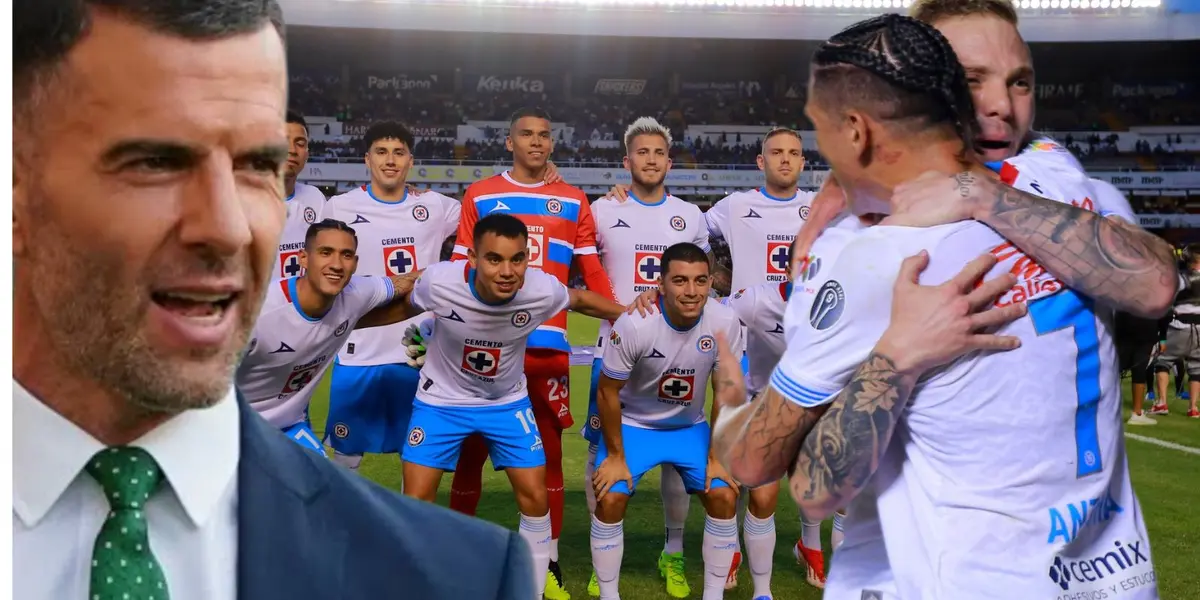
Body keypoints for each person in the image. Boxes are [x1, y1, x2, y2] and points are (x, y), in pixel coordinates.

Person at [12, 1, 534, 599]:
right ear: (17, 188)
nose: (229, 227)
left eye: (259, 165)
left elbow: (389, 297)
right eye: (155, 161)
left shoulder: (455, 575)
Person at [717, 14, 1162, 599]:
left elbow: (794, 479)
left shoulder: (874, 253)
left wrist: (729, 413)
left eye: (1019, 81)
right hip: (1115, 575)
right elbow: (1156, 282)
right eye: (973, 79)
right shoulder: (1058, 172)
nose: (1001, 104)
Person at [397, 214, 627, 597]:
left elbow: (582, 299)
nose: (507, 271)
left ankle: (532, 590)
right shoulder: (440, 283)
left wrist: (635, 316)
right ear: (472, 257)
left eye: (517, 259)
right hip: (441, 402)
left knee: (536, 500)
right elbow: (405, 303)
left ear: (527, 258)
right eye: (494, 259)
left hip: (506, 403)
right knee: (416, 502)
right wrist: (354, 323)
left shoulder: (540, 289)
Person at [450, 107, 622, 599]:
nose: (536, 142)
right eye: (526, 134)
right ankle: (462, 555)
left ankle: (546, 563)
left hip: (547, 348)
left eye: (545, 135)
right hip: (483, 346)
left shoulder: (571, 200)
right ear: (509, 142)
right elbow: (461, 269)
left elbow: (591, 274)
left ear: (552, 143)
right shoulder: (480, 195)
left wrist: (622, 317)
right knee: (470, 455)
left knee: (547, 459)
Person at [584, 116, 710, 598]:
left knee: (677, 458)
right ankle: (603, 556)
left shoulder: (691, 215)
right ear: (627, 161)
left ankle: (672, 552)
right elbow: (578, 256)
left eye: (659, 153)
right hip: (614, 349)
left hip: (678, 350)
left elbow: (703, 276)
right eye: (642, 152)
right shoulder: (600, 210)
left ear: (669, 162)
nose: (651, 160)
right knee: (602, 454)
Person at [592, 243, 743, 600]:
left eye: (700, 281)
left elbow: (725, 389)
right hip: (635, 426)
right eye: (680, 281)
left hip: (688, 428)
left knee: (723, 495)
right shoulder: (635, 324)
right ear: (661, 283)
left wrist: (717, 456)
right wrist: (615, 457)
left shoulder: (724, 322)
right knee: (610, 497)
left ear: (711, 282)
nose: (691, 291)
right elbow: (607, 391)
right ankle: (608, 595)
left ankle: (713, 595)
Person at [318, 121, 461, 470]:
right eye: (381, 152)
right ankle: (341, 523)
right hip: (358, 346)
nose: (390, 160)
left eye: (399, 153)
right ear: (367, 159)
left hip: (417, 350)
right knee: (346, 452)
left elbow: (488, 208)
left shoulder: (437, 206)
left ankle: (405, 524)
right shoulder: (338, 207)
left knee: (415, 451)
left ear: (410, 161)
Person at [237, 220, 422, 455]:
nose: (336, 264)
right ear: (303, 258)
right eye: (326, 253)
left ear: (355, 264)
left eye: (346, 255)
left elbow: (404, 283)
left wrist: (456, 277)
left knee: (324, 485)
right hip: (230, 431)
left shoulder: (356, 293)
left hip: (288, 427)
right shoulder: (254, 315)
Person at [718, 243, 802, 597]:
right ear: (788, 268)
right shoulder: (756, 300)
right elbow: (716, 315)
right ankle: (762, 591)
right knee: (763, 496)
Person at [272, 110, 329, 281]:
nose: (292, 150)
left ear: (307, 153)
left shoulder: (315, 198)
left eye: (300, 143)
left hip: (303, 306)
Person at [1151, 246, 1200, 419]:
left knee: (1163, 362)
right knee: (1196, 368)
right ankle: (1193, 408)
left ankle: (1162, 403)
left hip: (1181, 325)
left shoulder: (1181, 278)